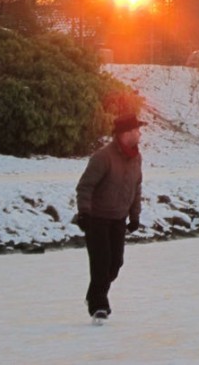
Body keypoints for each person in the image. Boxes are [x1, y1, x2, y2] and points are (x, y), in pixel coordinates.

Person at [76, 112, 146, 323]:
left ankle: (93, 294)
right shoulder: (103, 157)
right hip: (97, 218)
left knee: (115, 263)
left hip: (118, 219)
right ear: (125, 134)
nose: (139, 134)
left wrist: (134, 216)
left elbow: (136, 187)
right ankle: (99, 305)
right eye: (136, 130)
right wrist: (84, 213)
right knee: (101, 262)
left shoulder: (136, 158)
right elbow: (85, 187)